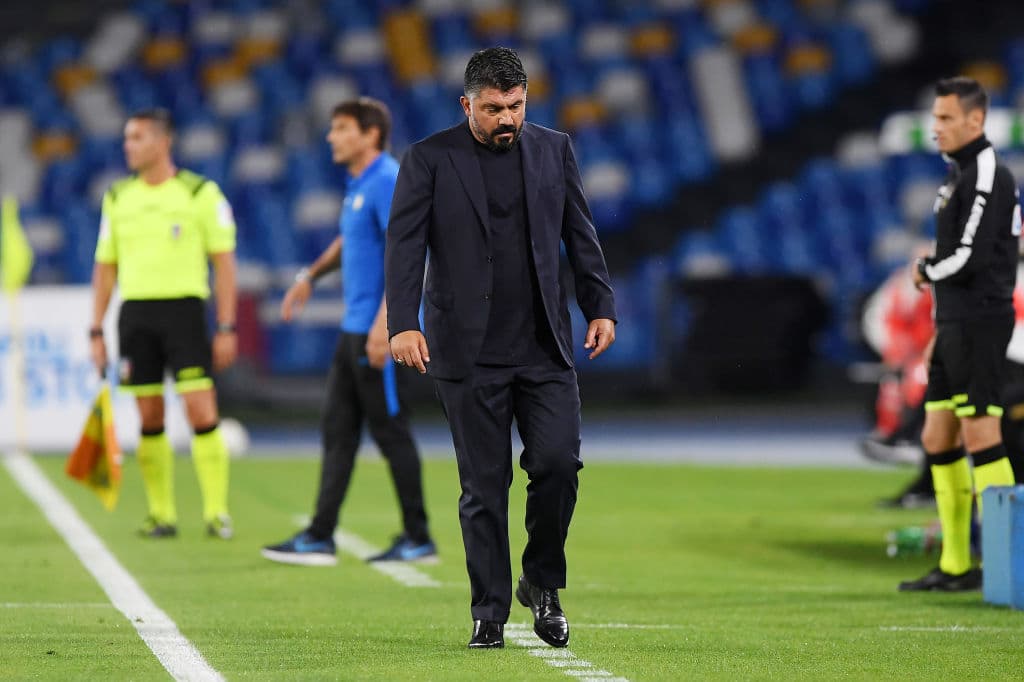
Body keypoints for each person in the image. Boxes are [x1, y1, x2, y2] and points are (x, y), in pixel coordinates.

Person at [385, 47, 617, 649]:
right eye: (492, 109)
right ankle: (488, 610)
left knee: (559, 465)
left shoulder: (553, 148)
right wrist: (403, 323)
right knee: (483, 487)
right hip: (466, 351)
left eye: (514, 106)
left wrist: (601, 306)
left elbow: (579, 232)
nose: (506, 118)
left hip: (544, 347)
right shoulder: (429, 159)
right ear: (467, 105)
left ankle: (540, 583)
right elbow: (405, 246)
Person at [261, 98, 436, 567]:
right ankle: (320, 535)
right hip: (352, 329)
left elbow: (411, 252)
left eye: (340, 128)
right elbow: (350, 238)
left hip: (376, 333)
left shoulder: (387, 180)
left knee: (390, 432)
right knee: (337, 431)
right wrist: (309, 276)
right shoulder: (362, 183)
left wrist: (389, 323)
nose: (330, 137)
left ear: (370, 134)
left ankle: (418, 537)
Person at [89, 108, 237, 539]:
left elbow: (224, 265)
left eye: (136, 138)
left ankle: (216, 512)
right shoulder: (117, 196)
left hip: (184, 312)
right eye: (126, 138)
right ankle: (162, 514)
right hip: (135, 315)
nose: (127, 146)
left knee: (199, 407)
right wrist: (96, 329)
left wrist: (226, 326)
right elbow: (105, 267)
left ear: (162, 142)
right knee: (148, 412)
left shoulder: (200, 193)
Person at [899, 76, 1021, 592]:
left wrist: (927, 269)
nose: (936, 128)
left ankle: (1006, 565)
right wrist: (938, 325)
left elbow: (969, 254)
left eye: (946, 118)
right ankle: (955, 564)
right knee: (936, 436)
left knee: (981, 435)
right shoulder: (958, 174)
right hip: (955, 323)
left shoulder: (990, 171)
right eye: (935, 118)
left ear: (976, 119)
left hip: (982, 320)